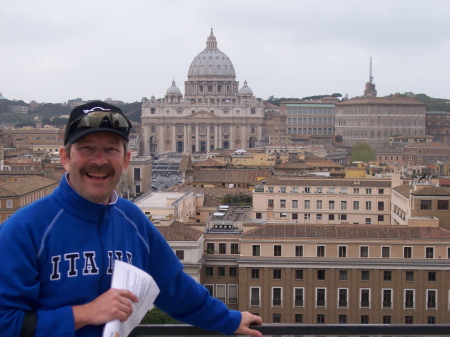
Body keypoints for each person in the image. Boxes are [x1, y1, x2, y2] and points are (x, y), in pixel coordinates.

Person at [0, 101, 263, 337]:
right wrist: (85, 314)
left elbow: (174, 288)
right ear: (65, 158)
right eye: (87, 148)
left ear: (126, 159)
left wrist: (227, 320)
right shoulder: (23, 230)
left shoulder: (132, 219)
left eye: (111, 150)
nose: (99, 160)